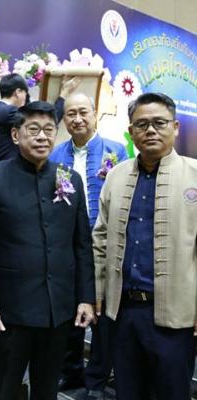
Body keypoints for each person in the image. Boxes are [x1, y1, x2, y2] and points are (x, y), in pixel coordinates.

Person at [0, 101, 95, 400]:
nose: (42, 137)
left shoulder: (69, 179)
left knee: (47, 390)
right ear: (16, 135)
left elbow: (82, 245)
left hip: (57, 310)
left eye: (49, 130)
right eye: (33, 129)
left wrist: (86, 297)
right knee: (6, 389)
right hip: (9, 311)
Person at [93, 92, 197, 400]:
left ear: (175, 127)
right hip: (123, 312)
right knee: (127, 392)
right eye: (141, 124)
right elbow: (100, 240)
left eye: (159, 123)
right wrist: (97, 294)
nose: (150, 130)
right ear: (131, 131)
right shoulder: (116, 176)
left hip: (176, 315)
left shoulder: (194, 175)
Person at [50, 93, 127, 399]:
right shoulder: (56, 154)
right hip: (69, 246)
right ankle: (70, 372)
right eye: (71, 114)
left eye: (83, 112)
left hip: (105, 244)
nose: (77, 119)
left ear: (95, 114)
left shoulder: (116, 151)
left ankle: (97, 376)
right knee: (72, 310)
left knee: (104, 312)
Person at [0, 73, 77, 164]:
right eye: (25, 93)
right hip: (6, 171)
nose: (26, 98)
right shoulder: (9, 112)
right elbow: (47, 120)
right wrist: (64, 94)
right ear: (18, 92)